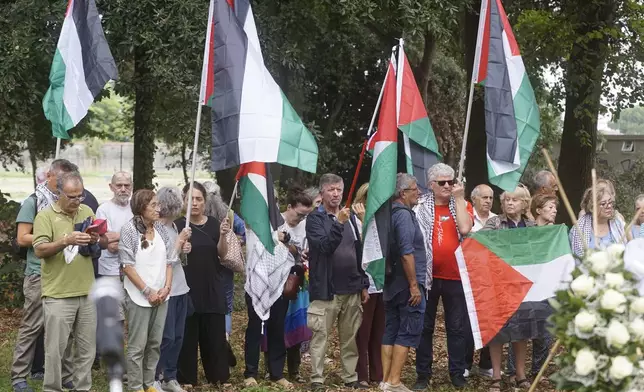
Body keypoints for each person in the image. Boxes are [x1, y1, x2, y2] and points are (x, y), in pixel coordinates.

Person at [32, 171, 108, 392]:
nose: (77, 201)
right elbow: (39, 249)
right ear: (59, 194)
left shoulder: (87, 211)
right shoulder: (45, 216)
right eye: (72, 196)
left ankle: (82, 388)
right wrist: (66, 240)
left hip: (86, 291)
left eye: (80, 196)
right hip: (58, 294)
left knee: (86, 350)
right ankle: (53, 388)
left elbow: (102, 241)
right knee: (55, 350)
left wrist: (96, 238)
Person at [11, 160, 80, 392]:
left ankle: (65, 375)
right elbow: (22, 238)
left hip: (64, 273)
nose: (63, 186)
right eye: (60, 181)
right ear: (49, 176)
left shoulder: (67, 205)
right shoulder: (33, 202)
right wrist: (52, 236)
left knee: (65, 328)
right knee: (32, 326)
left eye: (67, 181)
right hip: (38, 273)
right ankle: (19, 377)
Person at [306, 173, 370, 390]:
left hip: (351, 287)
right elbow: (324, 247)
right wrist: (338, 224)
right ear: (322, 192)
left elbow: (358, 251)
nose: (335, 194)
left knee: (349, 337)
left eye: (339, 190)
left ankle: (350, 377)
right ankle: (317, 379)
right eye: (331, 190)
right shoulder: (315, 219)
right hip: (326, 289)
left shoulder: (350, 217)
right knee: (320, 337)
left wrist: (363, 284)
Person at [119, 190, 187, 392]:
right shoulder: (129, 230)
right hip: (139, 296)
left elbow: (170, 260)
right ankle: (135, 386)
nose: (159, 209)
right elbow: (127, 266)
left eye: (159, 204)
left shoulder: (160, 229)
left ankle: (149, 383)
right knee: (137, 346)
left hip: (162, 295)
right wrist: (147, 291)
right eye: (154, 205)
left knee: (155, 343)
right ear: (141, 208)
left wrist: (166, 288)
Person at [413, 163, 473, 390]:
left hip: (455, 276)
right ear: (431, 185)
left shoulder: (461, 204)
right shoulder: (420, 206)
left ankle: (457, 372)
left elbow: (465, 228)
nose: (448, 185)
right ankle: (423, 374)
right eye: (442, 182)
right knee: (424, 327)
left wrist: (458, 198)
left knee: (456, 327)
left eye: (451, 181)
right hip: (427, 277)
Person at [176, 182, 232, 386]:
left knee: (215, 336)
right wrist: (182, 247)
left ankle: (218, 377)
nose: (195, 203)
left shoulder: (215, 224)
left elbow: (223, 255)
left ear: (205, 201)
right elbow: (171, 256)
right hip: (186, 287)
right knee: (188, 336)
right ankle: (186, 378)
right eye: (190, 198)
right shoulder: (178, 225)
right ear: (183, 201)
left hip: (211, 286)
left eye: (199, 199)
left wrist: (224, 235)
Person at [482, 184, 536, 391]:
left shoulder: (531, 226)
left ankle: (520, 374)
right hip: (499, 285)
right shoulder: (494, 223)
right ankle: (496, 375)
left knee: (521, 330)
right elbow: (478, 243)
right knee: (498, 331)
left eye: (514, 200)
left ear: (524, 204)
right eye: (506, 200)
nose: (510, 203)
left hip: (523, 285)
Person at [381, 174, 426, 392]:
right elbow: (407, 253)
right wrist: (414, 285)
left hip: (391, 283)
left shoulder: (387, 214)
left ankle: (386, 380)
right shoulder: (404, 216)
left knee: (391, 329)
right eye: (414, 189)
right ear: (403, 193)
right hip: (406, 284)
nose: (418, 192)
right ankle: (394, 381)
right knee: (406, 331)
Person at [155, 187, 192, 392]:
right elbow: (165, 260)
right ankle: (156, 376)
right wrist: (179, 244)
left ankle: (170, 376)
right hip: (165, 289)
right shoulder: (156, 229)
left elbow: (178, 259)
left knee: (178, 337)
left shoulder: (176, 227)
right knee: (165, 337)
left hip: (180, 288)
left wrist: (185, 249)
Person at [351, 183, 385, 387]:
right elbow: (362, 248)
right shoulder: (354, 221)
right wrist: (364, 220)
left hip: (382, 283)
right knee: (362, 332)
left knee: (378, 332)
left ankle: (377, 373)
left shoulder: (383, 218)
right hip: (365, 283)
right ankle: (361, 374)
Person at [202, 181, 244, 340]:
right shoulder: (229, 214)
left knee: (205, 300)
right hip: (225, 266)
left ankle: (207, 336)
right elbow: (245, 231)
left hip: (204, 264)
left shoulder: (199, 216)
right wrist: (238, 240)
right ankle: (224, 336)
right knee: (225, 303)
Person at [280, 187, 314, 383]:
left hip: (297, 281)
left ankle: (294, 370)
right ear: (289, 207)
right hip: (276, 281)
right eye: (299, 214)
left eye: (305, 216)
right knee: (276, 325)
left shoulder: (305, 225)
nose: (301, 219)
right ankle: (272, 367)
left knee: (296, 325)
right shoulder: (276, 222)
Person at [463, 184, 495, 378]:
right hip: (468, 276)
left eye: (490, 198)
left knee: (489, 321)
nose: (488, 201)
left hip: (490, 277)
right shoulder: (466, 218)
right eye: (484, 197)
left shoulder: (497, 220)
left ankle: (486, 363)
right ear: (473, 199)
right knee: (467, 321)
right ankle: (465, 363)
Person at [96, 172, 134, 319]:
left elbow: (145, 238)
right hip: (110, 271)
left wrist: (118, 236)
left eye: (127, 185)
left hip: (135, 270)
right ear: (111, 187)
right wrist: (133, 236)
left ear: (132, 187)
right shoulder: (103, 209)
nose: (123, 189)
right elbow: (110, 246)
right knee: (114, 317)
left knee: (135, 317)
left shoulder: (137, 209)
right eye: (119, 185)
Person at [570, 185, 626, 259]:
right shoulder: (579, 229)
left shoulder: (618, 224)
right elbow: (578, 260)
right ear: (592, 207)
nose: (609, 206)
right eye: (603, 204)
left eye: (610, 202)